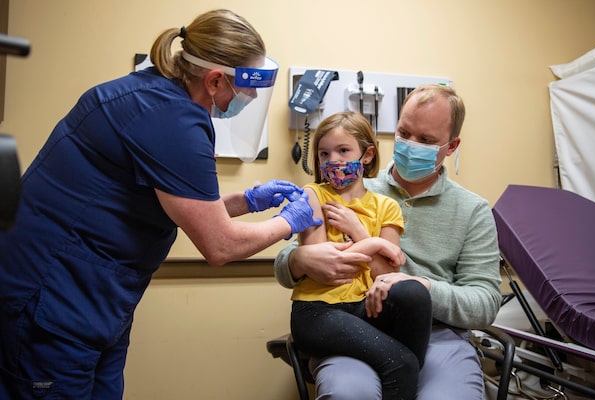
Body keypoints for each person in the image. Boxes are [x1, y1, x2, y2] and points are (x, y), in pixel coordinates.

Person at [0, 9, 321, 400]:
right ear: (214, 80)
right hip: (53, 300)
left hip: (92, 302)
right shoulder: (171, 119)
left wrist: (249, 201)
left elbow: (184, 205)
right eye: (248, 85)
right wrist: (290, 220)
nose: (252, 97)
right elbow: (220, 245)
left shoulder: (154, 95)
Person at [275, 84, 503, 399]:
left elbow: (485, 303)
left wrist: (424, 287)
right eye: (404, 133)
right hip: (357, 321)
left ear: (451, 146)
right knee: (349, 394)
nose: (411, 145)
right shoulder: (350, 186)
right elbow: (292, 258)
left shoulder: (472, 210)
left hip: (439, 334)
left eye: (426, 140)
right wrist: (296, 260)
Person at [290, 111, 432, 400]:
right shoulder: (312, 195)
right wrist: (375, 244)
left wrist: (358, 231)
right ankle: (401, 366)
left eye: (343, 150)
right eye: (324, 153)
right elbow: (324, 265)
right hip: (319, 311)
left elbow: (387, 275)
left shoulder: (386, 206)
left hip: (366, 307)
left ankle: (400, 369)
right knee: (402, 364)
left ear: (367, 155)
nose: (333, 160)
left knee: (414, 293)